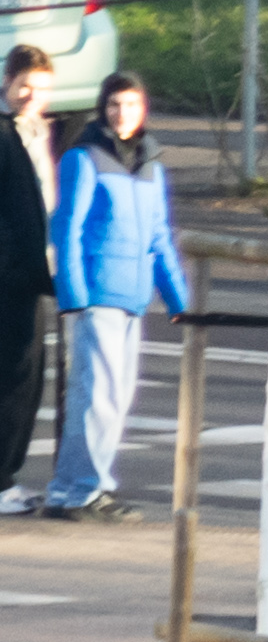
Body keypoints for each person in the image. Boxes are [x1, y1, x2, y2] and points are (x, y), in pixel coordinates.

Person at [44, 69, 177, 522]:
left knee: (114, 397)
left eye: (132, 105)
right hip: (97, 296)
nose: (123, 114)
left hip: (132, 299)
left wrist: (178, 299)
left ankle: (70, 489)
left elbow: (160, 235)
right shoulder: (84, 158)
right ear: (103, 109)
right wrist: (74, 295)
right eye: (115, 105)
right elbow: (67, 229)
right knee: (96, 396)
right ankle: (86, 490)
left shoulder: (150, 165)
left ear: (144, 110)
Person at [0, 48, 56, 504]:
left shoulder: (37, 133)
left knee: (29, 376)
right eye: (24, 85)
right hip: (9, 276)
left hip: (31, 274)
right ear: (7, 81)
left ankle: (8, 477)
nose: (30, 95)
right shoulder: (4, 134)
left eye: (40, 87)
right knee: (13, 377)